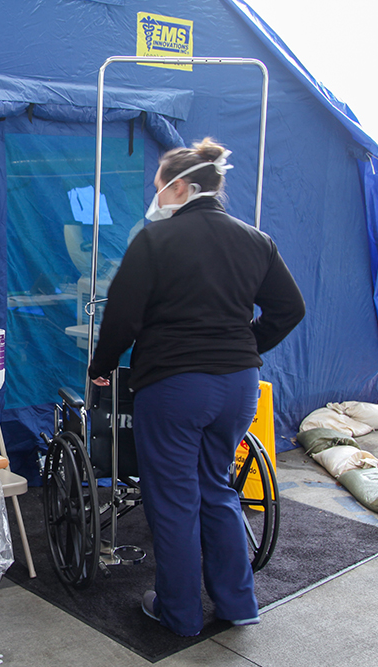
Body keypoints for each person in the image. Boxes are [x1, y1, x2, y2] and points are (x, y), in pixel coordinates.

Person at [87, 137, 305, 636]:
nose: (157, 195)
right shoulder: (256, 240)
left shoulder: (155, 241)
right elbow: (290, 309)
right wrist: (245, 344)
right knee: (218, 489)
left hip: (174, 385)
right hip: (237, 386)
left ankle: (178, 613)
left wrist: (103, 364)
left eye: (160, 187)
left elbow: (122, 314)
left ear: (182, 187)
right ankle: (238, 604)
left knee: (173, 498)